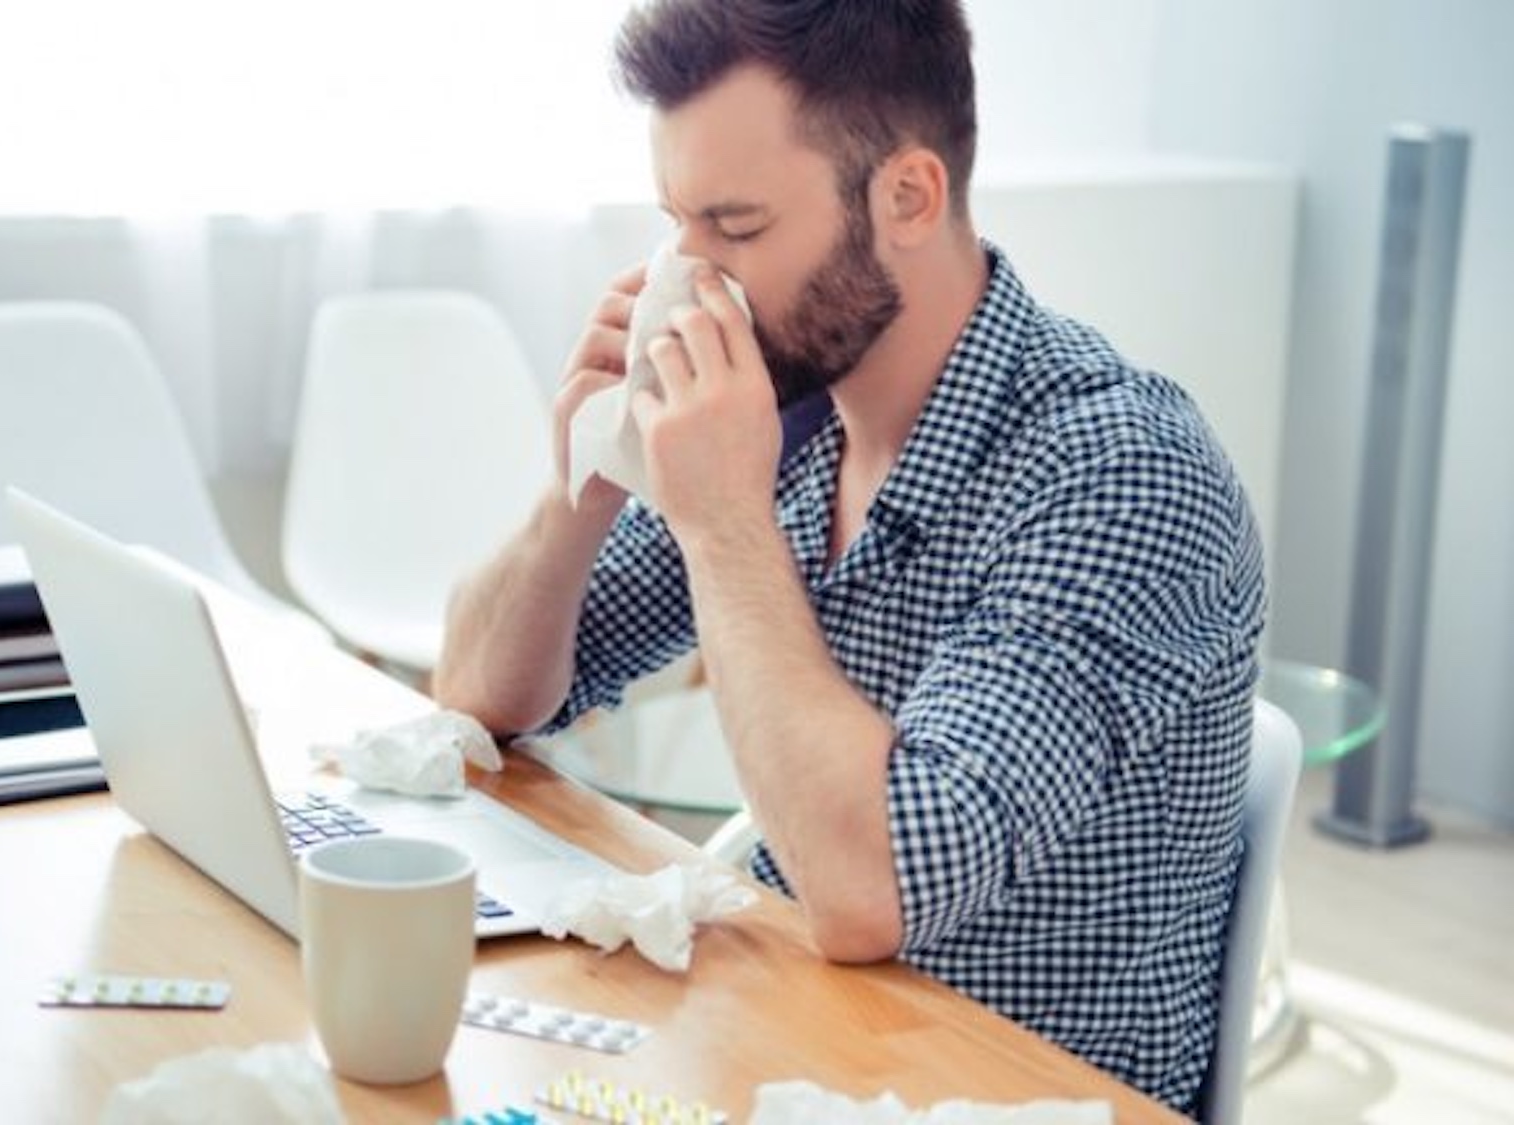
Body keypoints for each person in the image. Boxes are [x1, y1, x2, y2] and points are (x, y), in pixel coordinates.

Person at [433, 0, 1265, 1115]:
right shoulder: (788, 409)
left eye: (734, 227)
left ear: (907, 196)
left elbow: (871, 889)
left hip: (1003, 1092)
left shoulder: (1119, 474)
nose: (692, 279)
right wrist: (580, 482)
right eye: (675, 223)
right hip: (790, 1048)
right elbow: (481, 699)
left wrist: (725, 523)